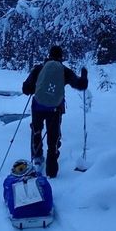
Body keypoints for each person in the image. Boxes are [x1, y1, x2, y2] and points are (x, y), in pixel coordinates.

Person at [22, 45, 88, 178]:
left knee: (37, 132)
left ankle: (37, 160)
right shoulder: (64, 70)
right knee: (53, 138)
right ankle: (52, 171)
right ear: (61, 57)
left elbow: (26, 89)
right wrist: (84, 75)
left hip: (37, 107)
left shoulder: (39, 68)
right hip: (55, 109)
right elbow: (81, 85)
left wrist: (36, 87)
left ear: (49, 55)